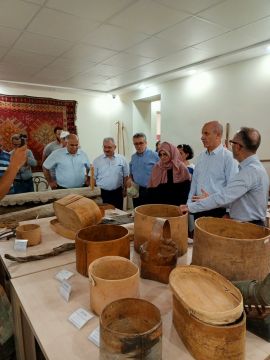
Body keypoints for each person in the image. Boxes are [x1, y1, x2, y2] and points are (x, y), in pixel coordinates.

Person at [180, 127, 269, 226]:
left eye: (232, 143)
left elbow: (225, 196)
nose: (231, 146)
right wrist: (210, 198)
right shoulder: (253, 168)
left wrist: (190, 207)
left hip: (249, 225)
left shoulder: (250, 171)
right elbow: (235, 198)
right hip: (242, 221)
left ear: (238, 146)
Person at [187, 120, 238, 219]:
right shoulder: (201, 156)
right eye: (202, 134)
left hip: (218, 210)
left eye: (206, 133)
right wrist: (189, 204)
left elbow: (232, 188)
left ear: (218, 135)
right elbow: (194, 182)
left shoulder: (228, 157)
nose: (202, 137)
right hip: (199, 207)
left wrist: (229, 212)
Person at [93, 137, 129, 210]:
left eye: (109, 147)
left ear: (115, 147)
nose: (106, 149)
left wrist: (125, 190)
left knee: (118, 214)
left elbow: (126, 176)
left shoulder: (122, 159)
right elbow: (93, 178)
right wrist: (94, 193)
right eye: (105, 147)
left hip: (117, 192)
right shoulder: (97, 161)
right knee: (103, 215)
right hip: (102, 193)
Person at [129, 133, 159, 207]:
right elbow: (131, 173)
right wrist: (130, 180)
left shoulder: (155, 156)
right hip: (136, 190)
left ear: (146, 143)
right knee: (137, 212)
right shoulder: (133, 157)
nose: (138, 146)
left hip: (151, 191)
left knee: (149, 214)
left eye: (141, 143)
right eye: (136, 144)